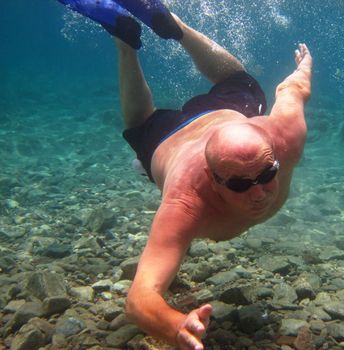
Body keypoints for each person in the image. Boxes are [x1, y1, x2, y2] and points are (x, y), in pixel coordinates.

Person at [58, 0, 312, 349]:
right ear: (213, 180)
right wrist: (173, 325)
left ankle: (167, 26)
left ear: (272, 151)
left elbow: (293, 89)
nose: (259, 193)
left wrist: (305, 65)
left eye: (267, 173)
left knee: (238, 79)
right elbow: (139, 298)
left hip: (227, 117)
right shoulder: (185, 201)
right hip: (170, 140)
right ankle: (126, 40)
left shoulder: (285, 138)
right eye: (239, 184)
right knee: (139, 124)